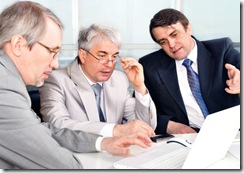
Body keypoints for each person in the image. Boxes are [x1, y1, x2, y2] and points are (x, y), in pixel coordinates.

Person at [0, 1, 152, 169]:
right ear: (18, 45)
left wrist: (103, 142)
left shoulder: (8, 78)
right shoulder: (5, 84)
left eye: (114, 56)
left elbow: (43, 130)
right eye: (52, 51)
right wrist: (115, 131)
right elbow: (55, 160)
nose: (56, 63)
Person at [39, 24, 157, 137]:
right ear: (83, 55)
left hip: (117, 154)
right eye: (102, 56)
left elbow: (145, 127)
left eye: (114, 56)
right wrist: (115, 130)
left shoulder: (119, 79)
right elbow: (57, 125)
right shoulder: (56, 80)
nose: (110, 64)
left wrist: (139, 86)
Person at [139, 8, 240, 135]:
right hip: (187, 139)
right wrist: (170, 126)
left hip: (233, 133)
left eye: (174, 34)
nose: (171, 44)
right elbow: (141, 110)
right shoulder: (149, 65)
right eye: (163, 42)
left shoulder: (222, 49)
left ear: (188, 29)